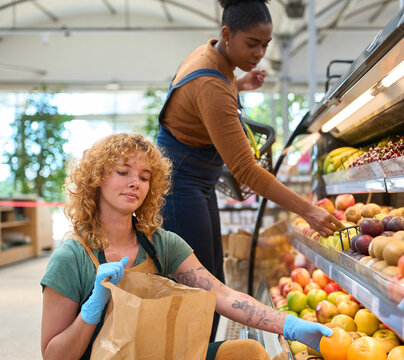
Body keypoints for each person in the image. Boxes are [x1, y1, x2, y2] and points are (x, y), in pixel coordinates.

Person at [40, 134, 332, 360]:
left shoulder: (161, 244)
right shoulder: (72, 257)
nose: (135, 183)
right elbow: (54, 354)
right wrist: (92, 308)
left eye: (144, 177)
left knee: (249, 352)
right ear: (97, 178)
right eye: (123, 172)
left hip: (162, 353)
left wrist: (289, 324)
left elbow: (223, 295)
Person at [157, 0, 342, 339]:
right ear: (227, 34)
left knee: (212, 277)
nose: (259, 53)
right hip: (178, 187)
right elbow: (245, 170)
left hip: (195, 183)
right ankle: (192, 350)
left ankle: (202, 348)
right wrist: (308, 210)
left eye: (265, 45)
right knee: (199, 287)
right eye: (252, 44)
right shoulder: (211, 84)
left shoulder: (211, 56)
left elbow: (201, 98)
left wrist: (239, 84)